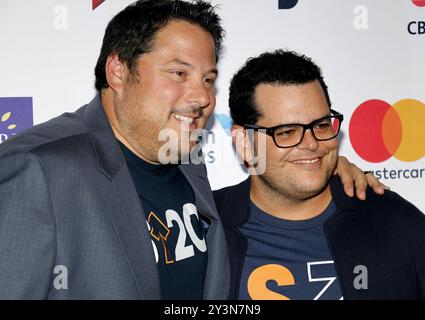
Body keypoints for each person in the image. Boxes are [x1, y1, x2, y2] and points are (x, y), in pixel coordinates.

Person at [0, 1, 383, 299]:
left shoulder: (185, 157)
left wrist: (319, 165)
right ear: (118, 71)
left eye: (208, 79)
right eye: (178, 73)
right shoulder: (38, 169)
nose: (202, 96)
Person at [214, 50, 425, 300]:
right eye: (287, 132)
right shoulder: (205, 230)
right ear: (245, 143)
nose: (312, 143)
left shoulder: (394, 222)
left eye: (321, 125)